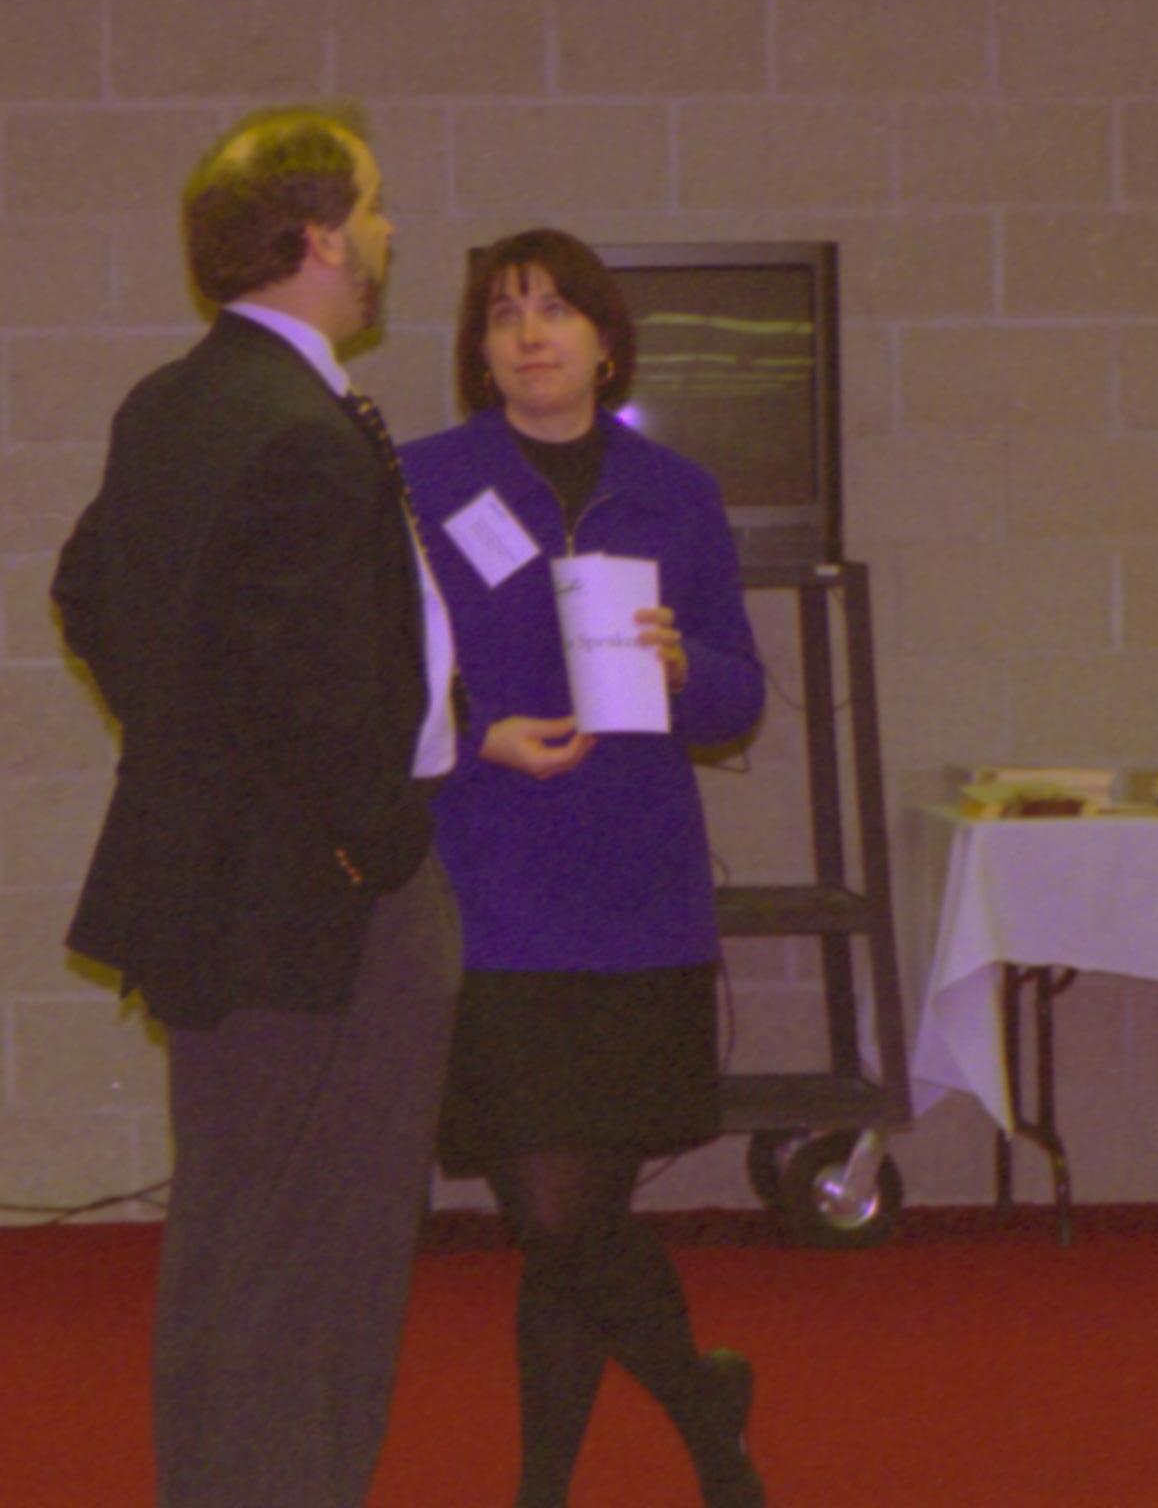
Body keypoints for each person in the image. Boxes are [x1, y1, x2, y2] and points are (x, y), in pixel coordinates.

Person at [55, 105, 462, 1508]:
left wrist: (190, 753)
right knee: (327, 1247)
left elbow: (89, 594)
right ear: (320, 236)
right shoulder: (297, 428)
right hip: (323, 899)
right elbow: (314, 686)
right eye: (380, 206)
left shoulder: (174, 403)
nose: (396, 233)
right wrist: (373, 839)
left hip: (230, 885)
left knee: (240, 1230)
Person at [399, 229, 772, 1508]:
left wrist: (683, 669)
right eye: (503, 315)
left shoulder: (679, 491)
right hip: (495, 891)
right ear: (479, 351)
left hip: (633, 893)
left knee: (569, 1228)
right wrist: (472, 730)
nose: (529, 333)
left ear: (605, 339)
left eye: (554, 309)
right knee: (556, 1217)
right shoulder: (425, 483)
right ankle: (705, 1409)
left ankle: (544, 1492)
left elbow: (738, 697)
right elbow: (386, 680)